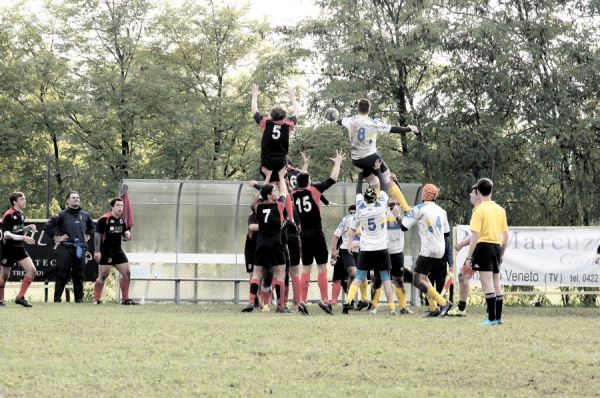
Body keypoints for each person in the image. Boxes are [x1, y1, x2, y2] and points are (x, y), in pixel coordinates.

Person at [335, 98, 418, 212]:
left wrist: (335, 119)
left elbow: (340, 120)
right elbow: (393, 129)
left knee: (374, 183)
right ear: (369, 109)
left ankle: (374, 210)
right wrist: (410, 128)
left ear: (357, 109)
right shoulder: (373, 123)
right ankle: (407, 209)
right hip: (370, 157)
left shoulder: (350, 121)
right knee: (389, 179)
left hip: (357, 160)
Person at [292, 150, 345, 315]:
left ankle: (302, 301)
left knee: (305, 269)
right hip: (316, 233)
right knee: (322, 268)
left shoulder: (294, 194)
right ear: (308, 181)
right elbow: (332, 179)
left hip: (304, 234)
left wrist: (305, 165)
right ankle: (325, 300)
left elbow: (301, 180)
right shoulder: (314, 190)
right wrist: (337, 162)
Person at [343, 166, 397, 315]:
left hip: (366, 249)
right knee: (386, 279)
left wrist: (360, 174)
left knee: (359, 277)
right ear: (375, 198)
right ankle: (392, 307)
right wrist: (378, 170)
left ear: (364, 199)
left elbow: (358, 191)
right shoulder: (380, 206)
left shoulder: (360, 208)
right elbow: (384, 187)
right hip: (381, 247)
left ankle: (347, 301)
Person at [400, 184, 453, 317]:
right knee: (425, 278)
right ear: (436, 196)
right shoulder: (442, 211)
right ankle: (434, 309)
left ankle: (443, 303)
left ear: (424, 195)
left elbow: (403, 227)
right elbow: (447, 233)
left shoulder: (419, 208)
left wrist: (396, 214)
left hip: (428, 249)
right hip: (441, 249)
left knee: (418, 280)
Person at [242, 168, 289, 313]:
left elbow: (255, 200)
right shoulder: (279, 206)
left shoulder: (258, 207)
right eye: (273, 191)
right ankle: (280, 306)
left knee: (256, 274)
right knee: (280, 274)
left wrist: (262, 187)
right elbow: (284, 193)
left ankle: (251, 303)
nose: (276, 192)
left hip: (261, 244)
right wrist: (281, 177)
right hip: (276, 244)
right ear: (269, 195)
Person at [464, 178, 509, 325]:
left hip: (483, 247)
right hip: (496, 247)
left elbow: (475, 235)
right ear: (491, 190)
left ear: (477, 191)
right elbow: (506, 236)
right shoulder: (500, 209)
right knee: (496, 283)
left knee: (486, 282)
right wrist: (501, 253)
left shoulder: (479, 210)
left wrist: (469, 256)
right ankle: (498, 319)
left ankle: (491, 319)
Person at [44, 191, 94, 303]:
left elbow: (92, 228)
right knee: (62, 274)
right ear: (68, 200)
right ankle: (57, 300)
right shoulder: (61, 214)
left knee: (79, 275)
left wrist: (88, 235)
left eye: (77, 197)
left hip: (80, 249)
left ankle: (79, 300)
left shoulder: (85, 215)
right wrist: (57, 238)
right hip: (66, 248)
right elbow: (47, 226)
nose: (76, 199)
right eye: (73, 197)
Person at [251, 84, 300, 183]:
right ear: (284, 116)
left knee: (269, 187)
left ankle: (265, 196)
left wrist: (255, 95)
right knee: (281, 183)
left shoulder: (266, 122)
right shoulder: (288, 124)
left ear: (271, 116)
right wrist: (292, 97)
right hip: (280, 162)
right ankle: (283, 197)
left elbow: (255, 111)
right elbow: (296, 113)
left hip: (267, 161)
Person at [93, 197, 137, 305]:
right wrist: (97, 251)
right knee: (103, 275)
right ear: (112, 206)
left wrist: (127, 234)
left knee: (127, 273)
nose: (120, 208)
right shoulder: (104, 219)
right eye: (118, 205)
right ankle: (97, 300)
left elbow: (125, 232)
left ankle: (125, 299)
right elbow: (97, 235)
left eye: (121, 206)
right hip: (106, 251)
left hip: (118, 251)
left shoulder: (121, 220)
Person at [448, 184, 481, 317]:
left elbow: (476, 235)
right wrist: (462, 244)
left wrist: (461, 245)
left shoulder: (479, 210)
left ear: (478, 196)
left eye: (472, 193)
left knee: (469, 277)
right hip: (484, 249)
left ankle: (462, 309)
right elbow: (474, 234)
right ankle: (462, 308)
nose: (470, 195)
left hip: (480, 250)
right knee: (464, 276)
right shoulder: (479, 209)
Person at [0, 192, 37, 307]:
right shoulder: (8, 215)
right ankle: (0, 300)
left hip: (19, 248)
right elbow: (6, 235)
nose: (24, 201)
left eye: (24, 199)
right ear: (14, 202)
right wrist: (24, 237)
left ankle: (20, 297)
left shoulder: (21, 214)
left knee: (32, 270)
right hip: (7, 249)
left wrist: (28, 227)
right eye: (21, 199)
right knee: (4, 277)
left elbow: (18, 231)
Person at [330, 205, 357, 305]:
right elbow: (336, 237)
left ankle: (351, 300)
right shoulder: (345, 221)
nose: (353, 214)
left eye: (355, 212)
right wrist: (333, 253)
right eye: (351, 212)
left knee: (353, 276)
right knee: (338, 277)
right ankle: (334, 301)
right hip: (342, 253)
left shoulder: (361, 221)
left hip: (355, 252)